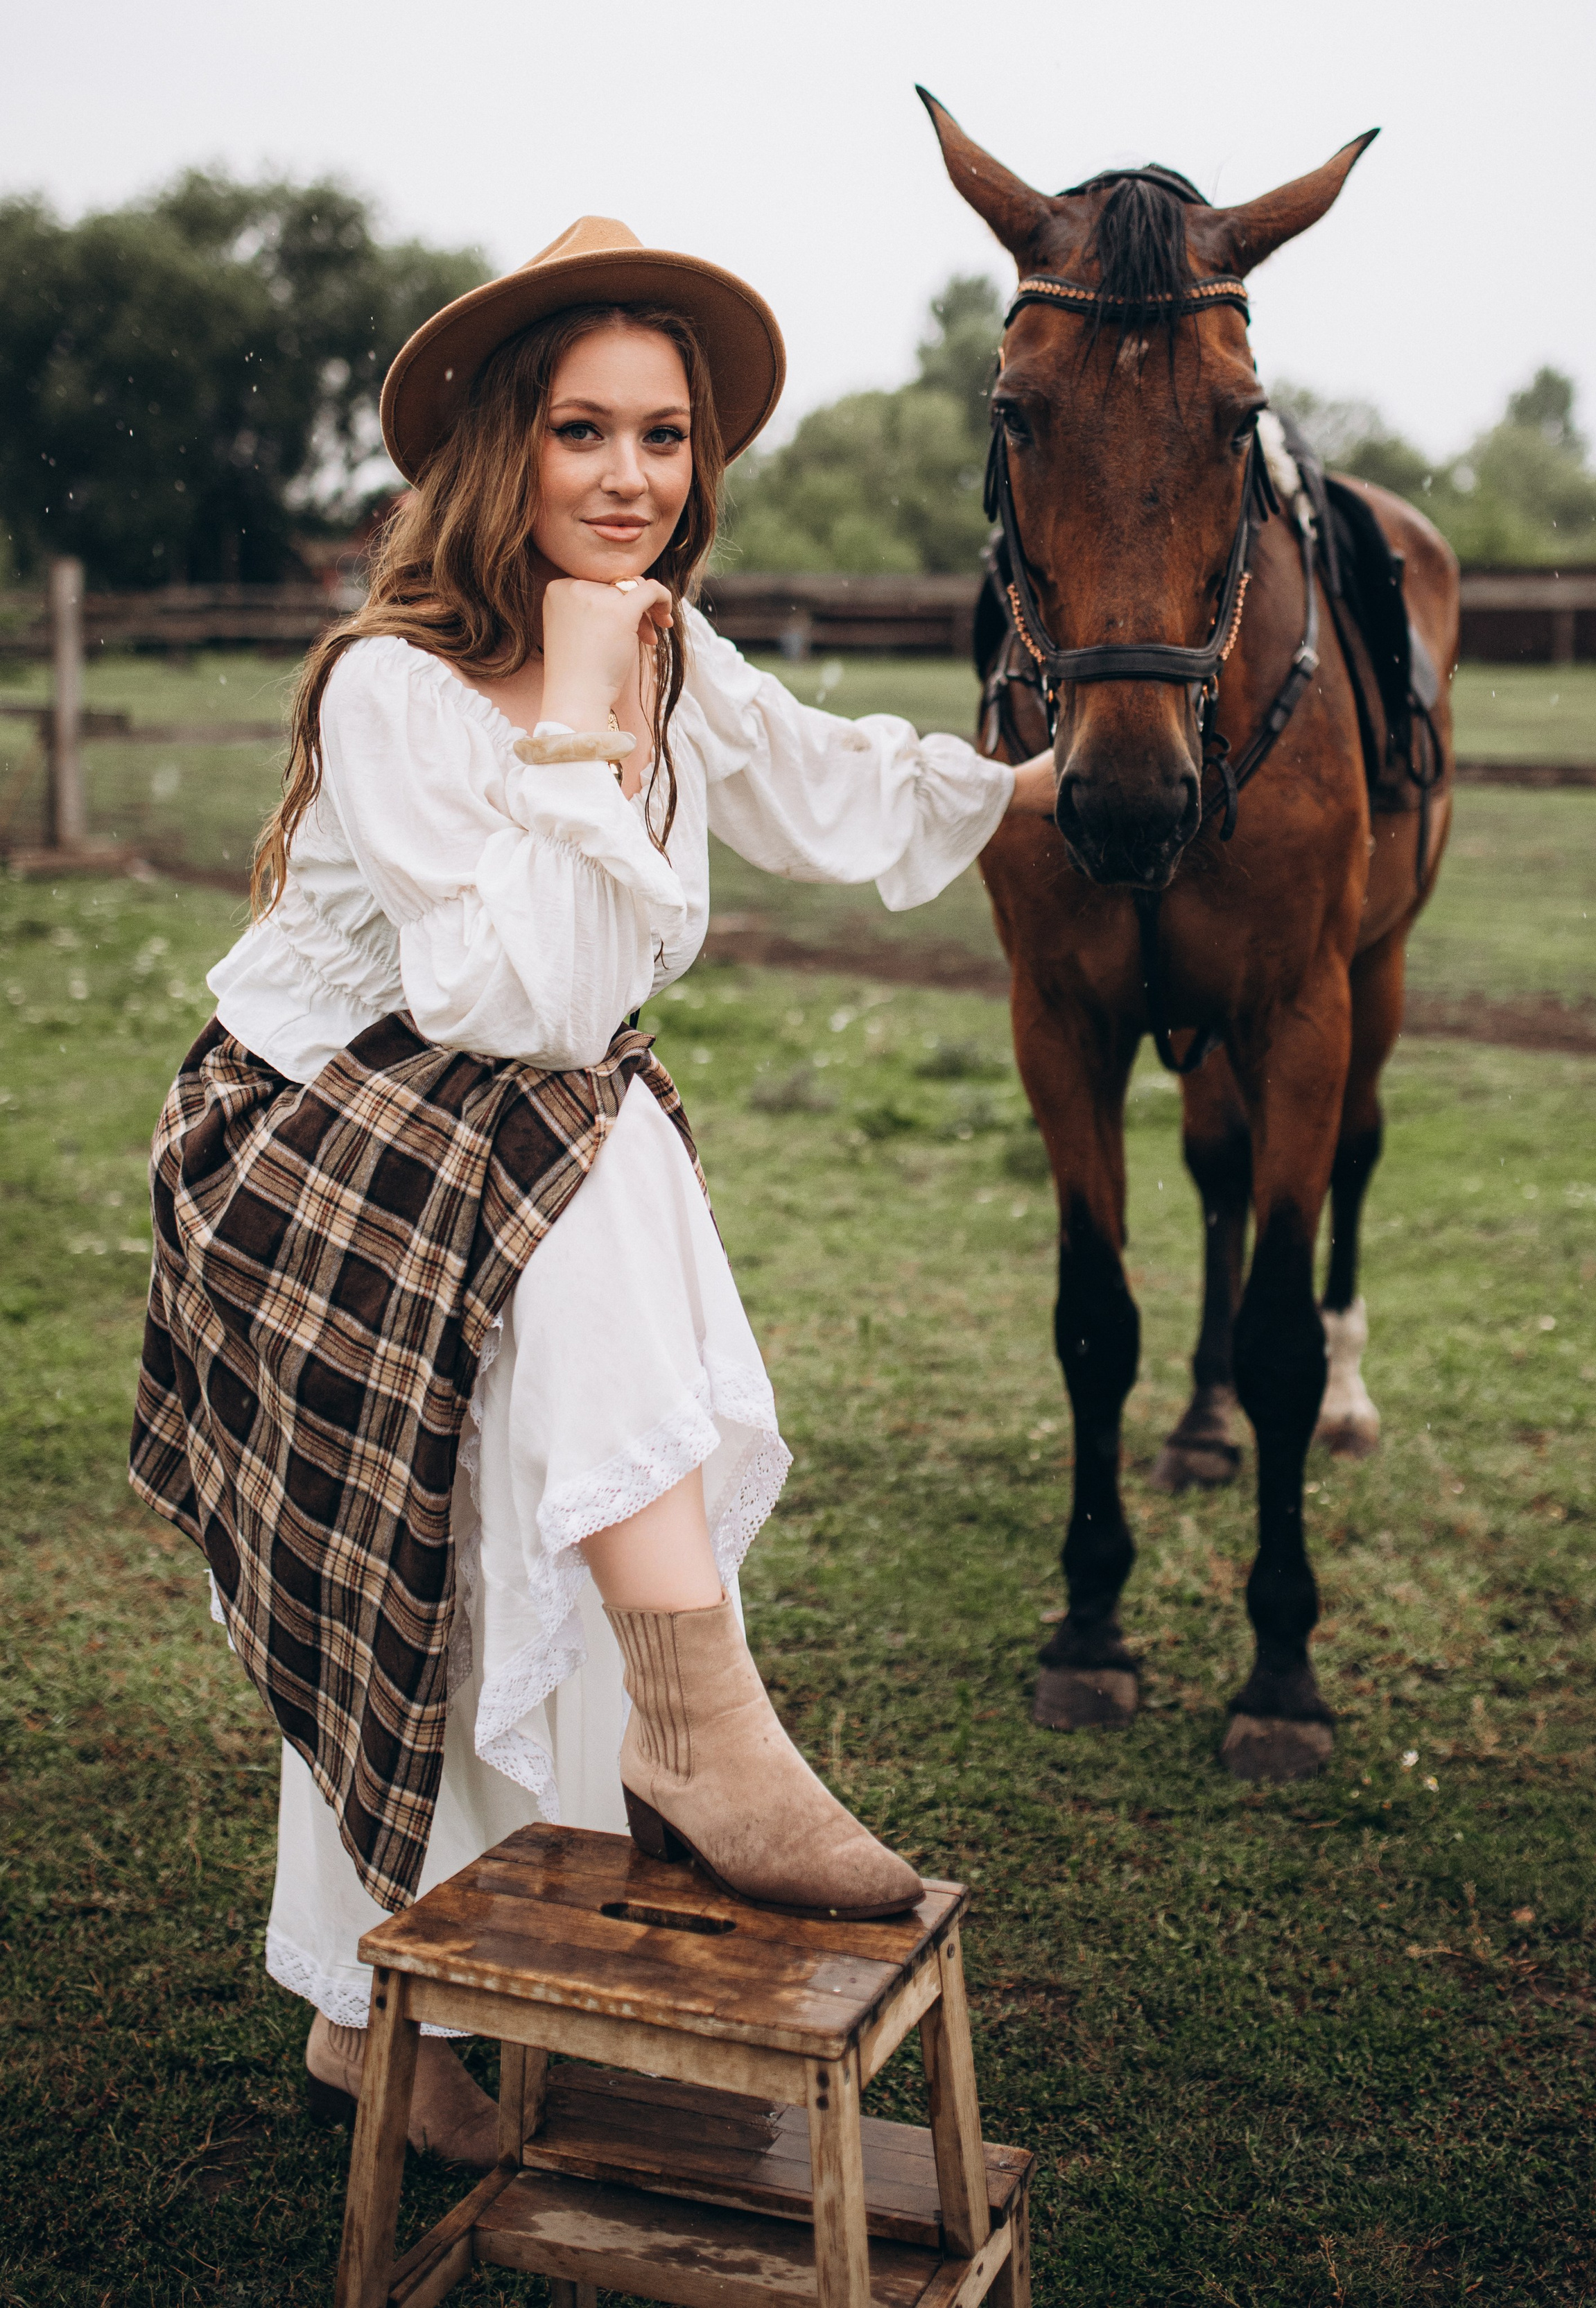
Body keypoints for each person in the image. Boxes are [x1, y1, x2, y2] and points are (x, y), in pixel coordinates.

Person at [129, 215, 1055, 2167]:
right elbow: (524, 1000)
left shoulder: (668, 646)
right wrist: (567, 715)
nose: (630, 478)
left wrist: (1028, 789)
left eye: (664, 436)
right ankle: (697, 1718)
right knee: (603, 1139)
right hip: (302, 1140)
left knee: (484, 1524)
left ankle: (382, 2009)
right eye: (582, 431)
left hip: (502, 1133)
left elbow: (823, 780)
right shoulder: (396, 687)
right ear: (503, 446)